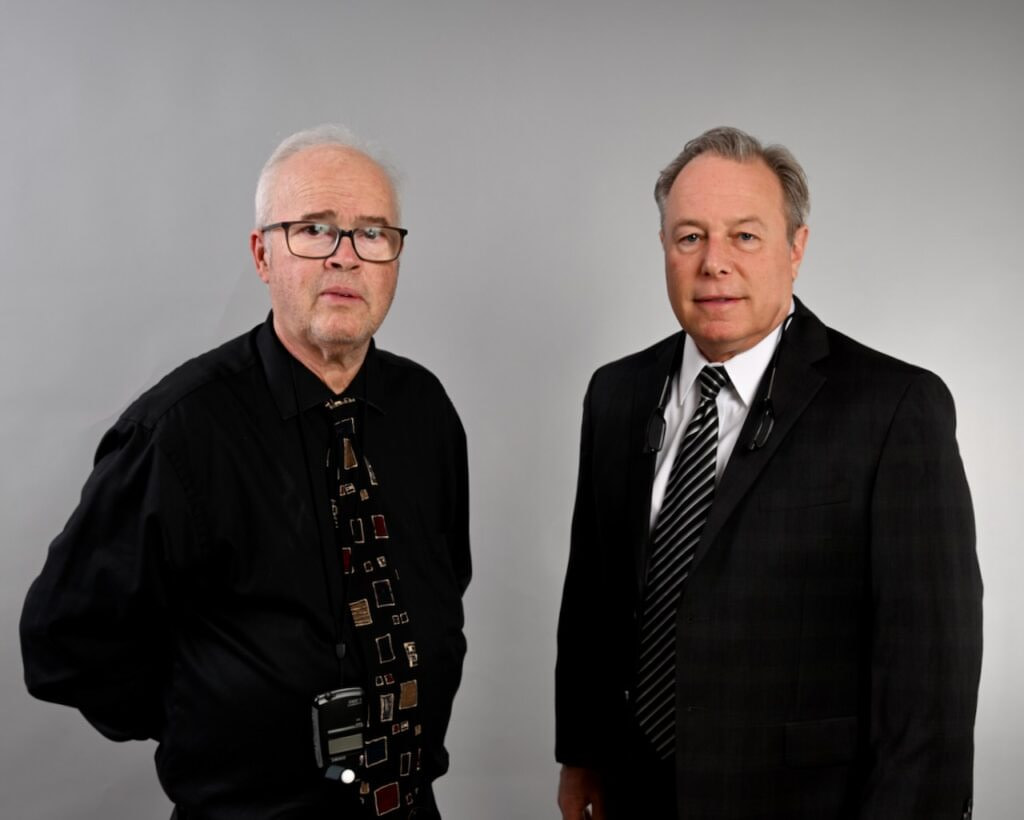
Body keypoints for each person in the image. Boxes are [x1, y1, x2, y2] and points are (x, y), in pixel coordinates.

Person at [21, 125, 470, 820]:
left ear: (396, 256)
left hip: (407, 804)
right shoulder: (179, 430)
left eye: (372, 233)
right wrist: (209, 713)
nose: (346, 256)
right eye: (314, 229)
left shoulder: (425, 409)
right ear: (262, 254)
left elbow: (443, 585)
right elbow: (66, 642)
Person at [555, 126, 981, 819]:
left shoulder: (894, 407)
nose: (714, 263)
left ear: (796, 249)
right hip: (637, 792)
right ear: (663, 247)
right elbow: (592, 598)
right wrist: (582, 754)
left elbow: (930, 680)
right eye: (690, 237)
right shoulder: (616, 394)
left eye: (745, 236)